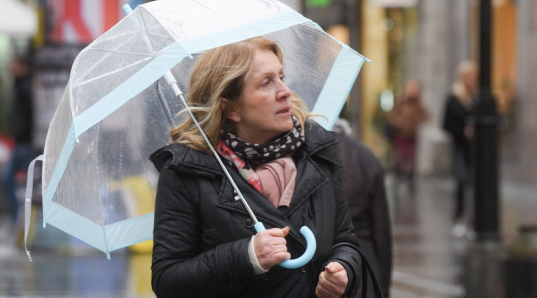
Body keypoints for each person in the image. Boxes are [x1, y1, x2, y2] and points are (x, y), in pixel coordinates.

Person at [149, 37, 362, 298]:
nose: (285, 91)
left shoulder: (316, 152)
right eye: (266, 83)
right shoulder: (186, 172)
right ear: (230, 108)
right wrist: (246, 256)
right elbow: (167, 281)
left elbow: (345, 240)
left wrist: (343, 270)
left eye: (281, 77)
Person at [333, 118, 392, 298]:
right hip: (364, 268)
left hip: (327, 272)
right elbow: (381, 232)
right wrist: (384, 284)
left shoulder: (304, 157)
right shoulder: (365, 157)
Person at [442, 61, 477, 237]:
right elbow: (446, 124)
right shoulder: (455, 96)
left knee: (475, 185)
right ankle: (459, 219)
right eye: (468, 76)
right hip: (460, 147)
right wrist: (463, 130)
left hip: (476, 150)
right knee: (462, 181)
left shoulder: (477, 97)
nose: (471, 80)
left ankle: (473, 221)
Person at [0, 56, 36, 226]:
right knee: (11, 179)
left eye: (14, 67)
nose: (11, 70)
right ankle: (19, 218)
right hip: (22, 142)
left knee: (25, 182)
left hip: (26, 142)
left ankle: (22, 219)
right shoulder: (21, 86)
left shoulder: (26, 88)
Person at [386, 79, 429, 191]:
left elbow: (426, 116)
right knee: (401, 157)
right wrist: (399, 122)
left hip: (411, 135)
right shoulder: (400, 101)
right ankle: (400, 175)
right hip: (400, 134)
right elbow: (391, 115)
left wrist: (416, 122)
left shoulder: (418, 104)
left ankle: (410, 178)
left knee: (411, 158)